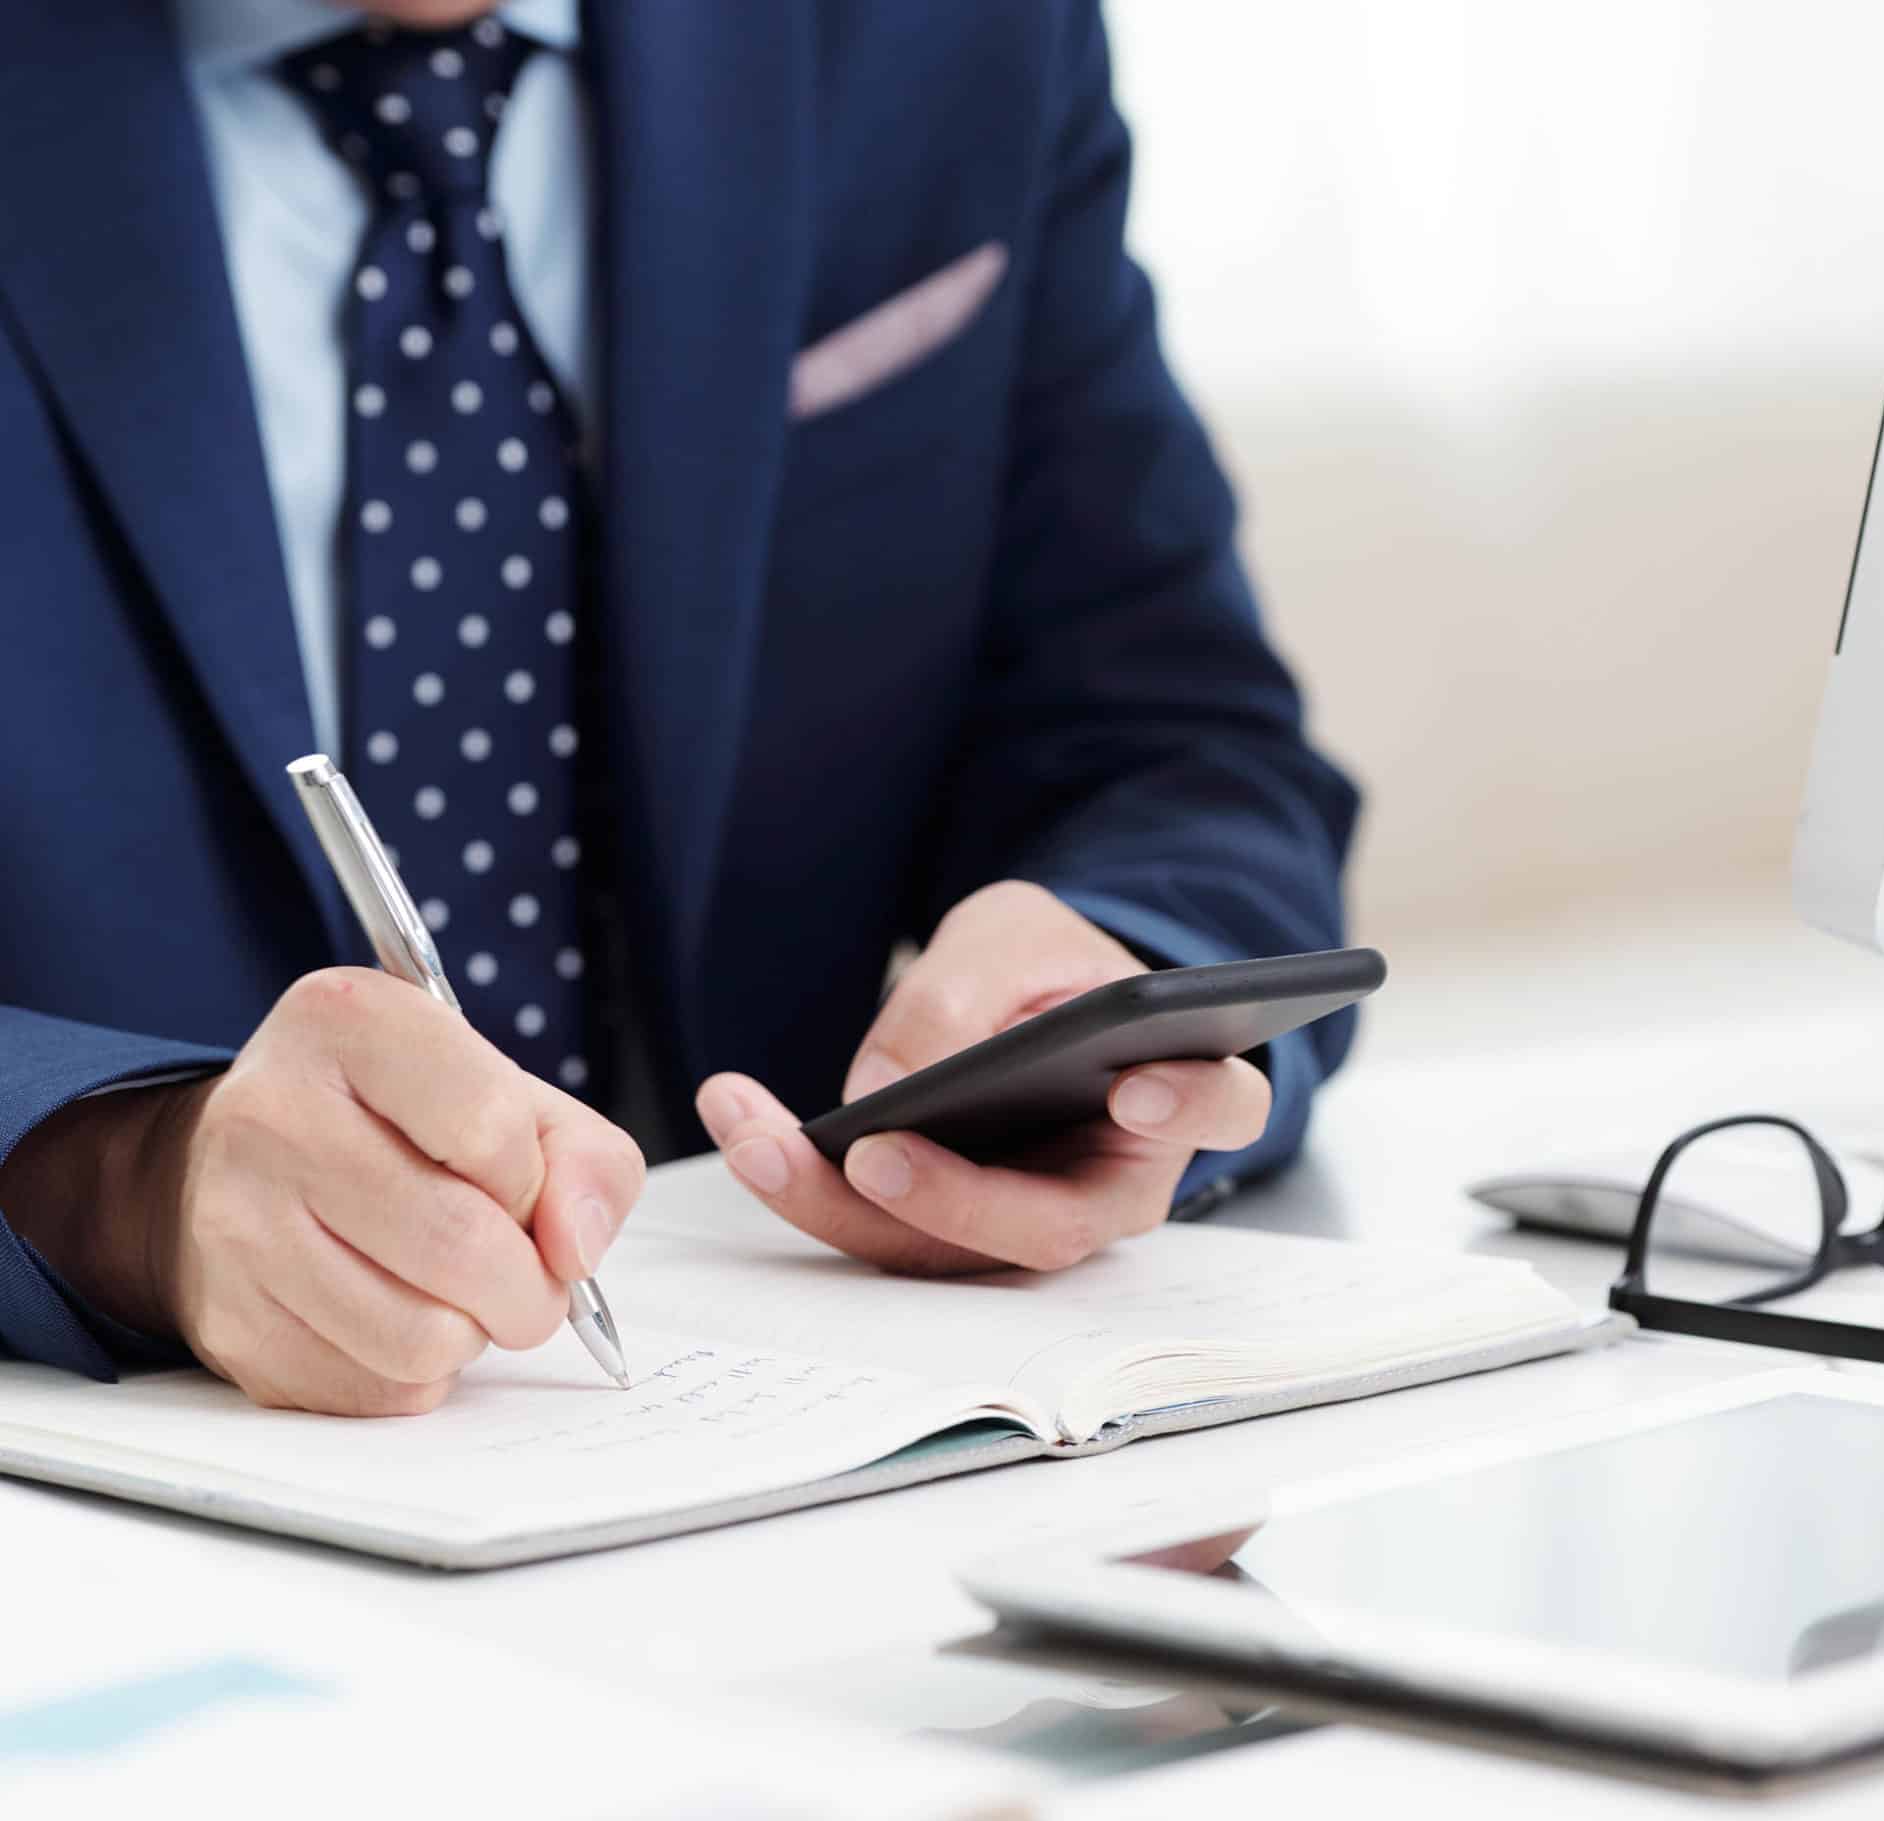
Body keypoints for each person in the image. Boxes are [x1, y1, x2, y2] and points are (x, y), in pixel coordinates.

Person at [0, 0, 1359, 1416]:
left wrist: (1108, 1003)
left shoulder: (953, 39)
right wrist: (115, 1177)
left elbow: (1176, 744)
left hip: (817, 1433)